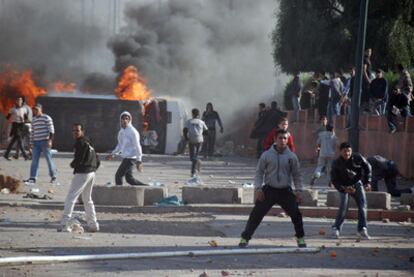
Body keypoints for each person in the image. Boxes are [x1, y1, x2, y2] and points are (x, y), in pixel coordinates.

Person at [239, 129, 306, 248]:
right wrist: (258, 189)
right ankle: (245, 238)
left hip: (285, 190)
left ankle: (300, 238)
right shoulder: (266, 155)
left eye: (285, 138)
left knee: (296, 214)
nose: (282, 140)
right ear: (275, 139)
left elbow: (297, 174)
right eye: (280, 138)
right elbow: (259, 172)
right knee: (256, 214)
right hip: (269, 190)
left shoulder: (291, 156)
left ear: (287, 140)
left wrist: (299, 190)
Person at [58, 123, 100, 232]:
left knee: (71, 198)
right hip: (91, 172)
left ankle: (64, 224)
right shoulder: (88, 141)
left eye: (77, 130)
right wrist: (93, 168)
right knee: (87, 199)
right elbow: (97, 158)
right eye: (73, 130)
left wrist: (73, 165)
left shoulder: (80, 143)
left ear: (82, 131)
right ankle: (93, 224)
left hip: (83, 172)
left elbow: (79, 159)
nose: (75, 133)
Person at [331, 142, 372, 239]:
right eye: (345, 151)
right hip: (344, 186)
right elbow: (334, 180)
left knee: (362, 205)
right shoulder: (336, 163)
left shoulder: (358, 158)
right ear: (340, 152)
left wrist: (368, 182)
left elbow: (368, 167)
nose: (347, 153)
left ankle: (362, 229)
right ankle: (336, 228)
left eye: (349, 151)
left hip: (357, 183)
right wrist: (344, 189)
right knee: (343, 206)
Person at [106, 111, 146, 186]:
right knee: (129, 179)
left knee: (118, 176)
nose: (125, 120)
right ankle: (147, 188)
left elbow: (138, 146)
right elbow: (120, 145)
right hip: (126, 157)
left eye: (127, 119)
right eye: (123, 119)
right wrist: (112, 154)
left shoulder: (133, 132)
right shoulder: (121, 132)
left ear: (130, 120)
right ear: (120, 120)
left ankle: (119, 194)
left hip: (131, 158)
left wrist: (139, 161)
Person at [24, 104, 57, 184]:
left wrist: (50, 140)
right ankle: (33, 177)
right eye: (34, 110)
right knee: (34, 160)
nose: (35, 111)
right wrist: (31, 143)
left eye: (36, 109)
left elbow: (51, 130)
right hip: (36, 143)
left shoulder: (46, 118)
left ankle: (53, 176)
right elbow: (32, 132)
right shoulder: (34, 119)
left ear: (41, 109)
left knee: (49, 160)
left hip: (45, 142)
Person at [183, 108, 208, 178]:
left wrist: (186, 138)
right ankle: (198, 162)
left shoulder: (189, 122)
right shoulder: (201, 122)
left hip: (192, 140)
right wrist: (202, 136)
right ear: (198, 114)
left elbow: (185, 130)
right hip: (199, 140)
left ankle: (193, 172)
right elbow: (206, 131)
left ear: (192, 114)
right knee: (194, 157)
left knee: (192, 157)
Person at [3, 96, 29, 161]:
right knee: (20, 141)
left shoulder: (24, 109)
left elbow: (26, 119)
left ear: (22, 101)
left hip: (21, 125)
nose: (19, 101)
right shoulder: (12, 109)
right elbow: (7, 118)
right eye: (18, 100)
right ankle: (25, 156)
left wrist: (24, 119)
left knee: (13, 141)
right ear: (16, 101)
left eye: (20, 100)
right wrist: (9, 122)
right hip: (15, 125)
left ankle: (6, 154)